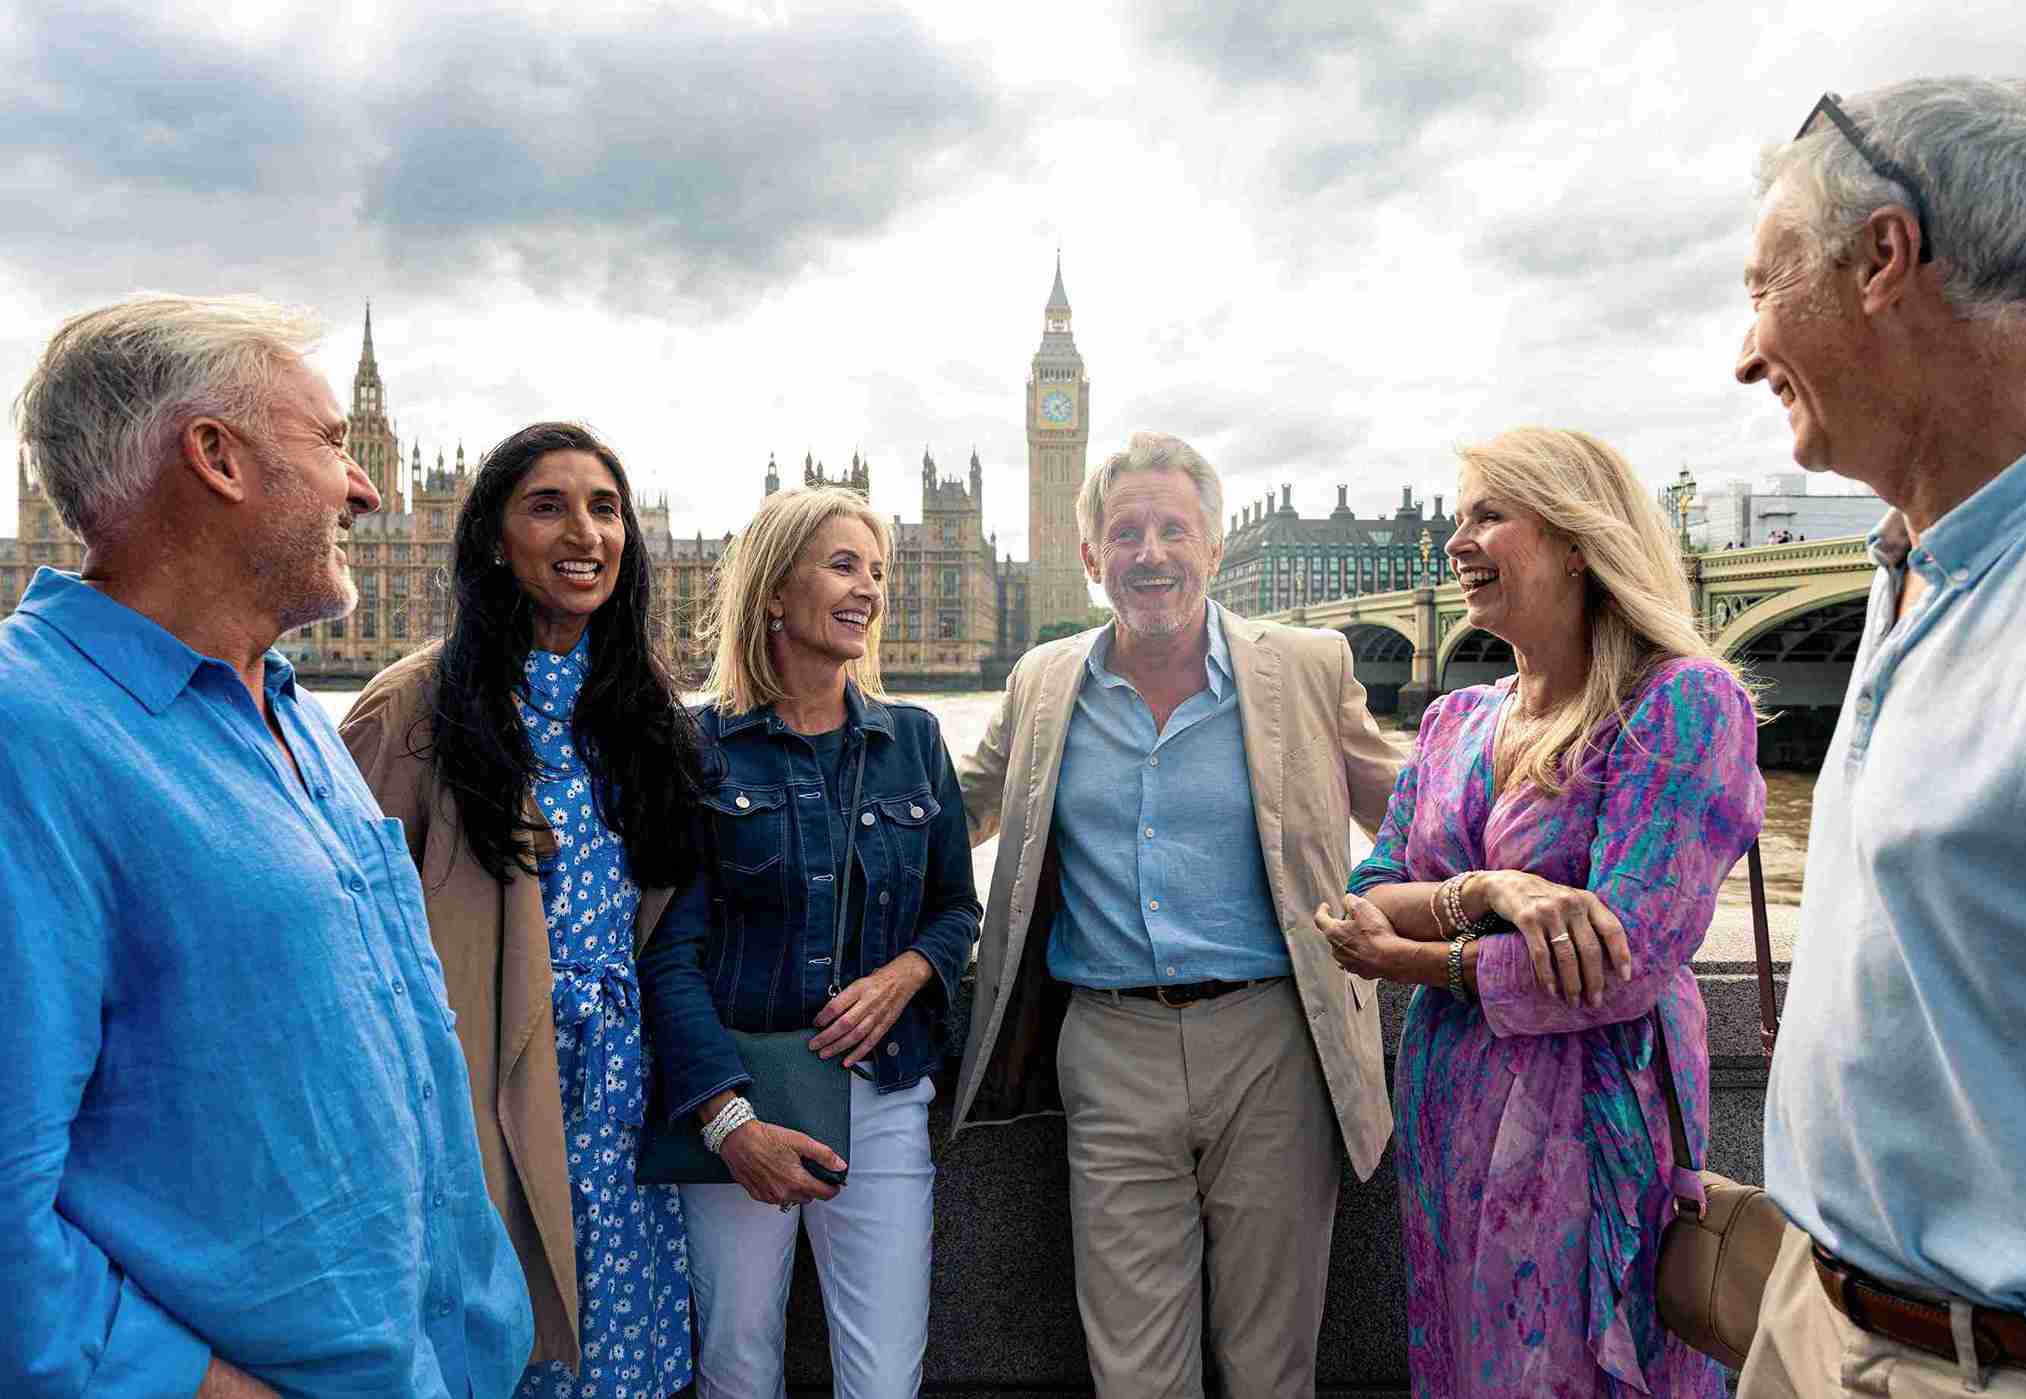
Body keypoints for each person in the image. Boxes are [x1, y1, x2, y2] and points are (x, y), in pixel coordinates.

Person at [0, 294, 530, 1397]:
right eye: (331, 442)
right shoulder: (27, 734)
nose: (366, 487)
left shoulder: (286, 709)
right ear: (215, 458)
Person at [1736, 77, 2026, 1396]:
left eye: (1761, 285)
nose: (1744, 352)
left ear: (1882, 258)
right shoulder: (1907, 554)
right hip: (1809, 1315)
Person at [951, 431, 1402, 1397]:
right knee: (1135, 1372)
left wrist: (1527, 862)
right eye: (1125, 533)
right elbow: (954, 810)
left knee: (1271, 1364)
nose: (1149, 552)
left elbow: (1416, 813)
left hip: (1273, 1042)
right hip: (1110, 1051)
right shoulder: (1044, 682)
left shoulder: (1307, 667)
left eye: (1172, 529)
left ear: (1213, 547)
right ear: (1089, 557)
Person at [1318, 426, 1763, 1397]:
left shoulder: (1681, 704)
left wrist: (1425, 961)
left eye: (1488, 514)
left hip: (1591, 1131)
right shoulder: (1451, 721)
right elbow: (1364, 899)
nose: (1454, 541)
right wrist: (1486, 892)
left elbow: (1625, 957)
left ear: (1574, 539)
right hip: (1450, 1121)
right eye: (1458, 515)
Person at [340, 422, 698, 1396]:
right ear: (494, 538)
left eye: (604, 507)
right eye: (548, 505)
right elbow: (344, 941)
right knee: (511, 1356)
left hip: (626, 1107)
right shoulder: (413, 706)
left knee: (623, 1360)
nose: (583, 531)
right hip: (493, 1097)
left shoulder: (641, 716)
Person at [638, 484, 979, 1398]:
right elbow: (667, 952)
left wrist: (906, 973)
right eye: (841, 565)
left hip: (884, 1094)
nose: (867, 587)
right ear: (774, 592)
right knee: (738, 1363)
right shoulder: (694, 745)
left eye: (876, 570)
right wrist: (728, 1119)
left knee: (884, 1374)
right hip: (741, 1097)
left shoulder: (915, 741)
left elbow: (956, 909)